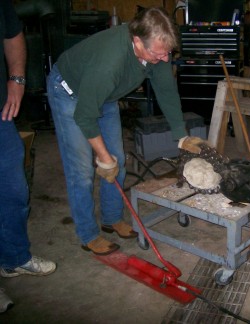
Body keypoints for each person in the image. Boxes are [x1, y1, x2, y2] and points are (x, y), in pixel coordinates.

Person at [46, 7, 187, 256]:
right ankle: (88, 234)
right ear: (136, 41)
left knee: (118, 161)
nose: (165, 59)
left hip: (106, 94)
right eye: (159, 53)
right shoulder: (110, 62)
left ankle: (111, 219)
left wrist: (182, 135)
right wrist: (102, 156)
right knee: (83, 171)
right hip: (69, 92)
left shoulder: (157, 49)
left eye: (167, 53)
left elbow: (165, 89)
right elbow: (85, 115)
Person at [0, 0, 57, 312]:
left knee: (13, 189)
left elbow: (12, 34)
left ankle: (14, 259)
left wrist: (17, 77)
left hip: (0, 114)